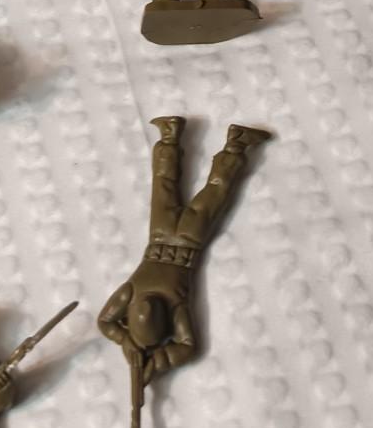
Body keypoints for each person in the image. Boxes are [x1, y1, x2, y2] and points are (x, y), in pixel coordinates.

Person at [98, 117, 267, 384]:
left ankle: (222, 142)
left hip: (174, 239)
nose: (147, 307)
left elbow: (107, 323)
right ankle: (184, 136)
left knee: (196, 190)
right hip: (174, 238)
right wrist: (148, 356)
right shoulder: (158, 300)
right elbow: (185, 345)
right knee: (174, 187)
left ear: (129, 316)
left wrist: (128, 343)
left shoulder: (149, 297)